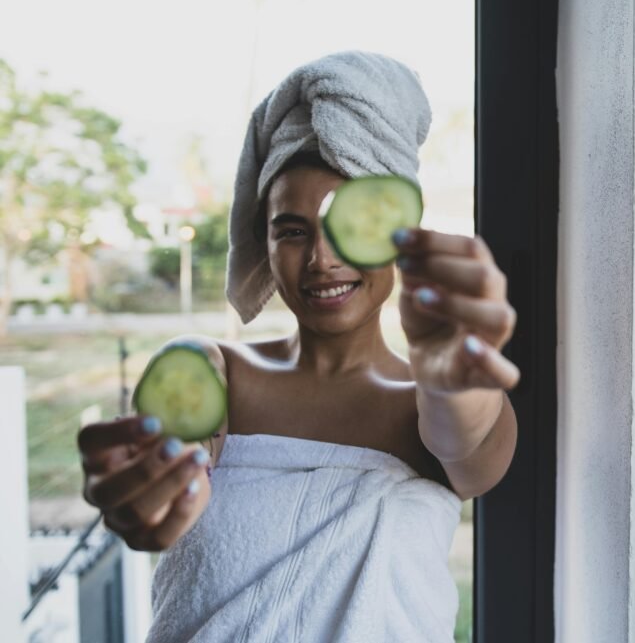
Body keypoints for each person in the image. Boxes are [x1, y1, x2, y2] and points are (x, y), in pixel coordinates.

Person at [76, 52, 519, 641]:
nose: (321, 259)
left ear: (400, 234)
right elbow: (169, 473)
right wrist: (145, 499)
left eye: (350, 227)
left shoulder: (431, 404)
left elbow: (471, 438)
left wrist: (452, 383)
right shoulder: (215, 373)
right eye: (292, 230)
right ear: (263, 241)